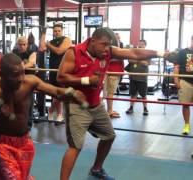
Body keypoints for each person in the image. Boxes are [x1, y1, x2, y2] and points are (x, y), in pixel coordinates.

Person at [57, 28, 169, 180]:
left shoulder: (108, 51)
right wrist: (86, 80)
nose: (106, 49)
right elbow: (61, 77)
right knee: (75, 146)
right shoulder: (74, 52)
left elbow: (134, 53)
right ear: (93, 40)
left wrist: (161, 54)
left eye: (109, 45)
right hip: (77, 106)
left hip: (96, 105)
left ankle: (96, 169)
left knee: (109, 136)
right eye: (103, 44)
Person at [0, 53, 86, 180]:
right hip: (0, 145)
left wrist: (71, 93)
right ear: (2, 74)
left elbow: (56, 91)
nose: (20, 78)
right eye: (15, 75)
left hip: (25, 142)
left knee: (22, 177)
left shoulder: (29, 81)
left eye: (22, 72)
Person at [40, 23, 72, 122]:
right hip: (53, 69)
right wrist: (43, 34)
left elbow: (59, 51)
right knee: (55, 93)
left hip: (63, 69)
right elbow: (41, 48)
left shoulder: (67, 40)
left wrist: (49, 45)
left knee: (61, 92)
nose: (57, 32)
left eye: (58, 31)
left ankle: (57, 113)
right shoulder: (52, 41)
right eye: (55, 31)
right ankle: (53, 112)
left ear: (62, 31)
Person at [12, 36, 37, 128]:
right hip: (17, 80)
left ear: (27, 44)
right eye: (20, 44)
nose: (22, 46)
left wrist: (20, 66)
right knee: (16, 100)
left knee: (29, 102)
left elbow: (31, 63)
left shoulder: (32, 52)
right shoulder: (14, 52)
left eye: (24, 44)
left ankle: (28, 124)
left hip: (28, 80)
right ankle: (16, 121)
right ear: (17, 44)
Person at [174, 35, 193, 135]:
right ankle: (186, 125)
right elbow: (176, 66)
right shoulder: (183, 52)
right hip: (186, 81)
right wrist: (176, 79)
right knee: (185, 104)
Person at [125, 40, 150, 116]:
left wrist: (136, 60)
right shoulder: (134, 52)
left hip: (142, 78)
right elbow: (130, 60)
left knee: (143, 95)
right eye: (139, 44)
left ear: (145, 45)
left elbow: (146, 64)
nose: (140, 45)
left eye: (142, 44)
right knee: (133, 94)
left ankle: (145, 109)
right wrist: (139, 60)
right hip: (133, 77)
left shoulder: (148, 54)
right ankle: (131, 108)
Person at [104, 33, 124, 118]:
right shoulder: (111, 50)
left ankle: (109, 109)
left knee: (110, 92)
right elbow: (108, 59)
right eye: (117, 39)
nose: (118, 40)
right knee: (111, 92)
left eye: (119, 38)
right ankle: (109, 110)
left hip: (115, 72)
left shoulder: (117, 49)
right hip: (112, 72)